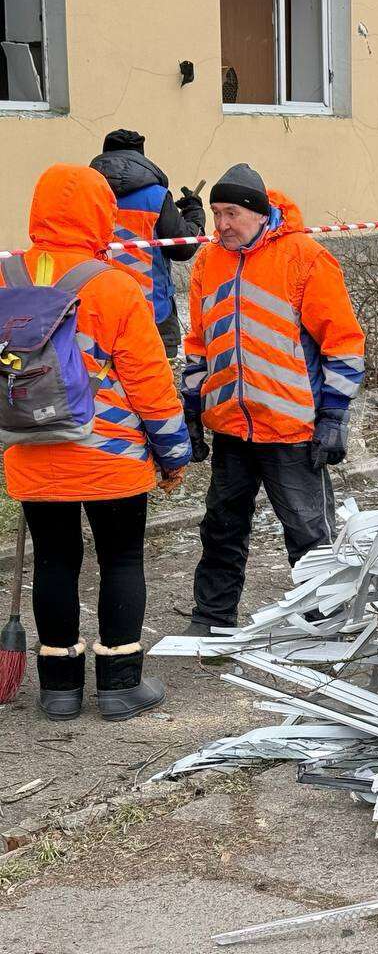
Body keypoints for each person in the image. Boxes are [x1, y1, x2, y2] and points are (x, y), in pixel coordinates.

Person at [0, 165, 191, 721]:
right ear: (99, 214)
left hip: (32, 450)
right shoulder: (113, 285)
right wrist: (173, 454)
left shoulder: (7, 281)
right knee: (121, 558)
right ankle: (118, 684)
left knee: (55, 562)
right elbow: (152, 386)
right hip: (111, 457)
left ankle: (59, 688)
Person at [181, 164, 365, 637]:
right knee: (221, 529)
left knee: (310, 535)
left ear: (261, 214)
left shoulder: (305, 258)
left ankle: (326, 624)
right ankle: (213, 621)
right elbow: (199, 340)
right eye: (216, 213)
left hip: (293, 429)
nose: (221, 224)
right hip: (231, 428)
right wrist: (194, 403)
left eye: (232, 213)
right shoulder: (208, 261)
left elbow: (343, 344)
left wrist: (332, 417)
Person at [89, 129, 206, 357]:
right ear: (141, 157)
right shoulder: (156, 196)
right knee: (155, 386)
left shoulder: (86, 195)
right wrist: (194, 212)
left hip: (97, 313)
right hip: (153, 313)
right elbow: (183, 247)